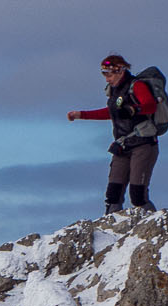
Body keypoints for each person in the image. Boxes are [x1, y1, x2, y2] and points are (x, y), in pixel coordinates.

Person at [67, 54, 160, 214]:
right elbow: (111, 112)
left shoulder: (136, 86)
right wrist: (81, 114)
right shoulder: (115, 92)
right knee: (113, 195)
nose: (106, 79)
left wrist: (133, 109)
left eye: (109, 75)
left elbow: (150, 105)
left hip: (143, 145)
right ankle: (112, 232)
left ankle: (156, 227)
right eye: (104, 75)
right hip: (122, 146)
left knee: (138, 196)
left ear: (120, 71)